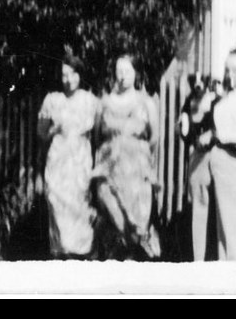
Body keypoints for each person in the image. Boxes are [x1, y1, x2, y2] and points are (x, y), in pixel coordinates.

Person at [184, 50, 236, 262]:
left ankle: (231, 279)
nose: (229, 74)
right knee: (200, 219)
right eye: (226, 69)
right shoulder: (218, 96)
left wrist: (218, 134)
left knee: (229, 225)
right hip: (202, 160)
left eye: (235, 70)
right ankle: (198, 267)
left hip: (229, 160)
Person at [92, 53, 162, 259]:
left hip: (137, 171)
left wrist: (135, 152)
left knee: (138, 219)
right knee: (113, 212)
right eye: (118, 71)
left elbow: (155, 137)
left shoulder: (145, 102)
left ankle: (133, 256)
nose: (122, 75)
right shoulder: (104, 102)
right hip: (111, 168)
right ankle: (116, 253)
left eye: (127, 71)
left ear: (136, 73)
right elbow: (97, 136)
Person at [37, 51, 99, 259]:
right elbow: (41, 132)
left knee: (78, 204)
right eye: (64, 75)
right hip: (58, 159)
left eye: (73, 74)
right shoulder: (53, 100)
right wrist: (53, 130)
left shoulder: (90, 100)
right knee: (56, 200)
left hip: (80, 159)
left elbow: (99, 132)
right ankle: (61, 252)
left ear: (80, 75)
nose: (68, 79)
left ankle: (81, 253)